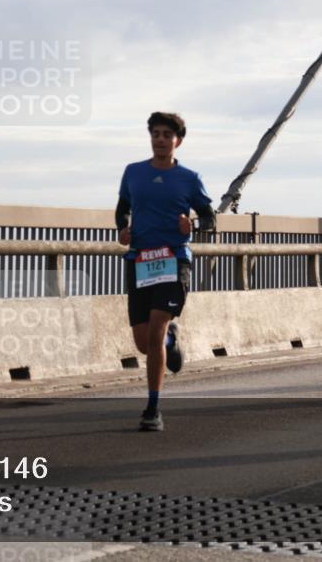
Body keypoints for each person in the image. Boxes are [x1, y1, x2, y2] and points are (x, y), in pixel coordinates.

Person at [115, 112, 215, 431]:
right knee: (144, 343)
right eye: (155, 134)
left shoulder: (189, 178)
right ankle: (171, 342)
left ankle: (153, 408)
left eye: (166, 135)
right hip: (141, 260)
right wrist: (123, 230)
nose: (160, 139)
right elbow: (122, 209)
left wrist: (193, 225)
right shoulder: (133, 172)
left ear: (178, 141)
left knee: (156, 326)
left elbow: (210, 218)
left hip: (174, 260)